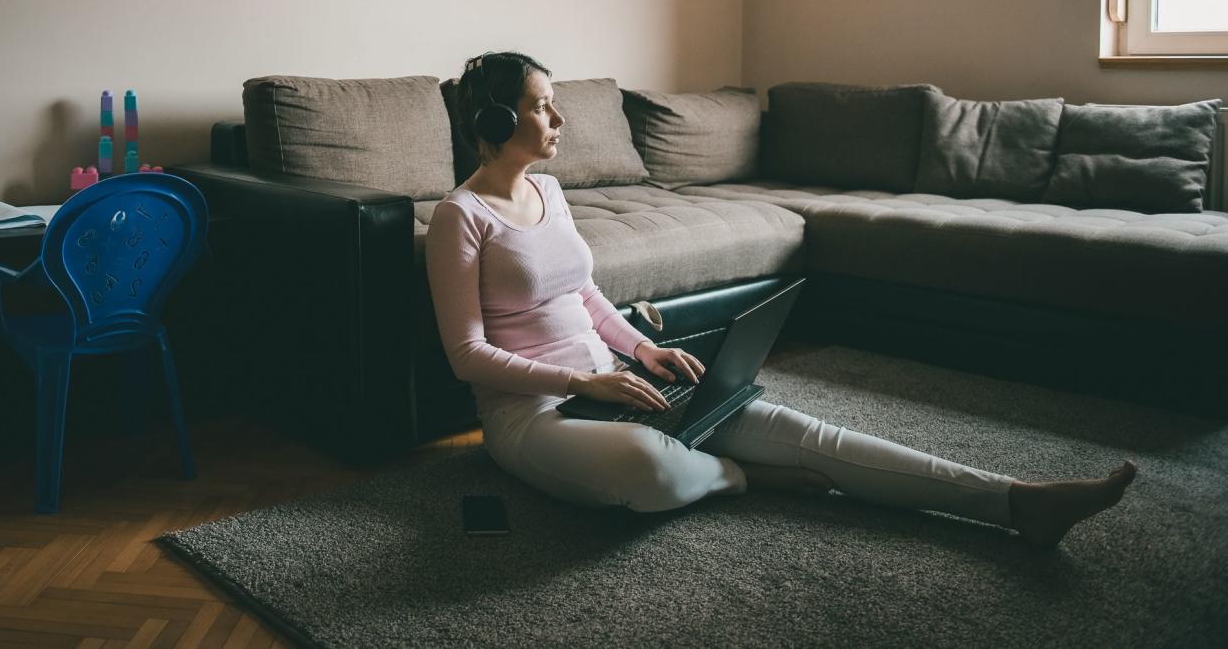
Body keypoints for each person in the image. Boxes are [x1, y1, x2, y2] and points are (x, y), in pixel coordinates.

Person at [425, 50, 1137, 549]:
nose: (558, 118)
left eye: (554, 104)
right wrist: (582, 378)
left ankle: (1012, 499)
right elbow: (466, 356)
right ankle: (740, 477)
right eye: (540, 106)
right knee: (647, 466)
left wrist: (642, 350)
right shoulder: (462, 217)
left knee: (805, 429)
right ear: (493, 123)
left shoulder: (550, 191)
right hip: (534, 415)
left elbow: (582, 290)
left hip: (618, 386)